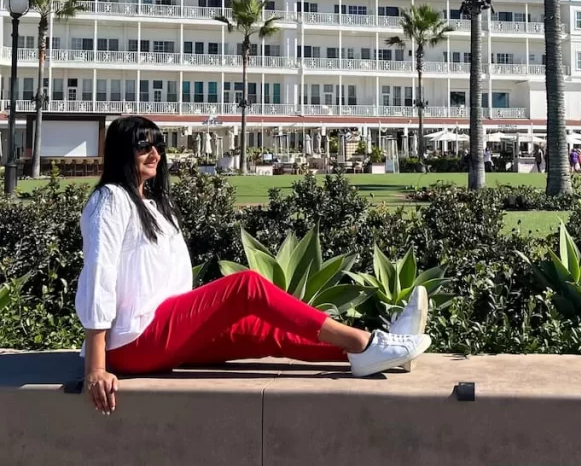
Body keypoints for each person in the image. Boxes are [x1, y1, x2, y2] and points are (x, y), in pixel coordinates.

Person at [76, 116, 431, 416]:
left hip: (161, 333)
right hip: (132, 341)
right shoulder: (109, 200)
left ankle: (375, 351)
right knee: (245, 286)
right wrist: (96, 367)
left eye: (158, 145)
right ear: (123, 152)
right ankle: (363, 342)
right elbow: (99, 274)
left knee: (259, 331)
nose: (154, 153)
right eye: (143, 146)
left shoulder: (152, 205)